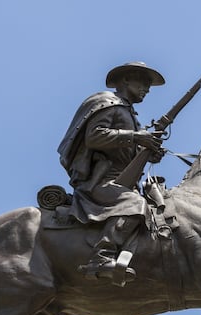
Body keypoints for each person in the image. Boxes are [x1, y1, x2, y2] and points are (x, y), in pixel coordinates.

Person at [57, 61, 166, 283]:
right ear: (125, 79)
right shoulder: (108, 102)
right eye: (143, 82)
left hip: (122, 183)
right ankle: (102, 256)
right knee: (134, 205)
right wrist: (136, 137)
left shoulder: (129, 114)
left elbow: (127, 152)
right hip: (100, 183)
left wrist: (149, 152)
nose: (147, 89)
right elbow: (94, 137)